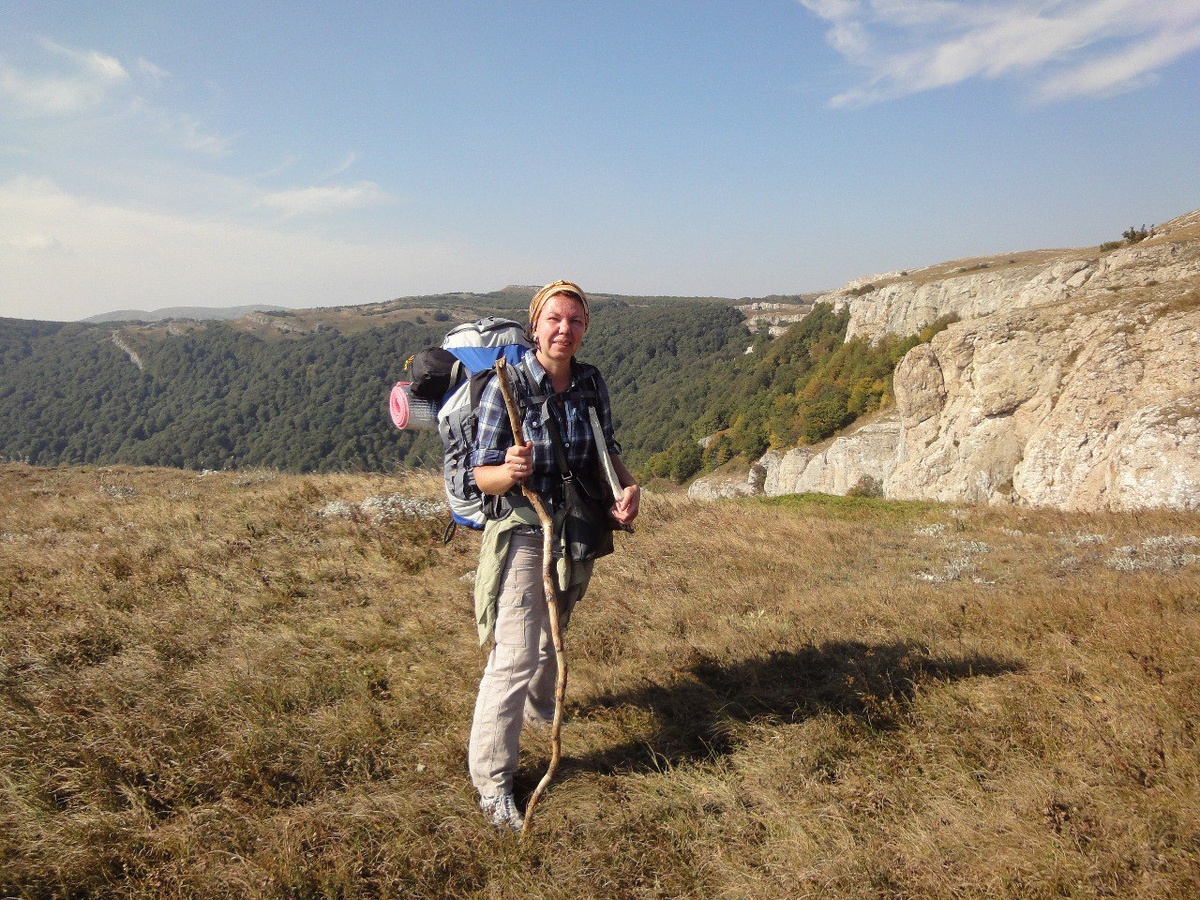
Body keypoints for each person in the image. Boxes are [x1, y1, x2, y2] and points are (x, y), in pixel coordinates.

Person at [467, 279, 640, 831]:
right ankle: (493, 783)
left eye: (576, 321)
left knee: (556, 625)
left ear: (585, 328)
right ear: (535, 324)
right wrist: (508, 473)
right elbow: (481, 475)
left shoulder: (590, 382)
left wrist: (626, 489)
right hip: (525, 527)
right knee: (515, 654)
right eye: (555, 319)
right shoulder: (508, 385)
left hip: (577, 527)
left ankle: (544, 709)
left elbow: (607, 449)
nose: (565, 330)